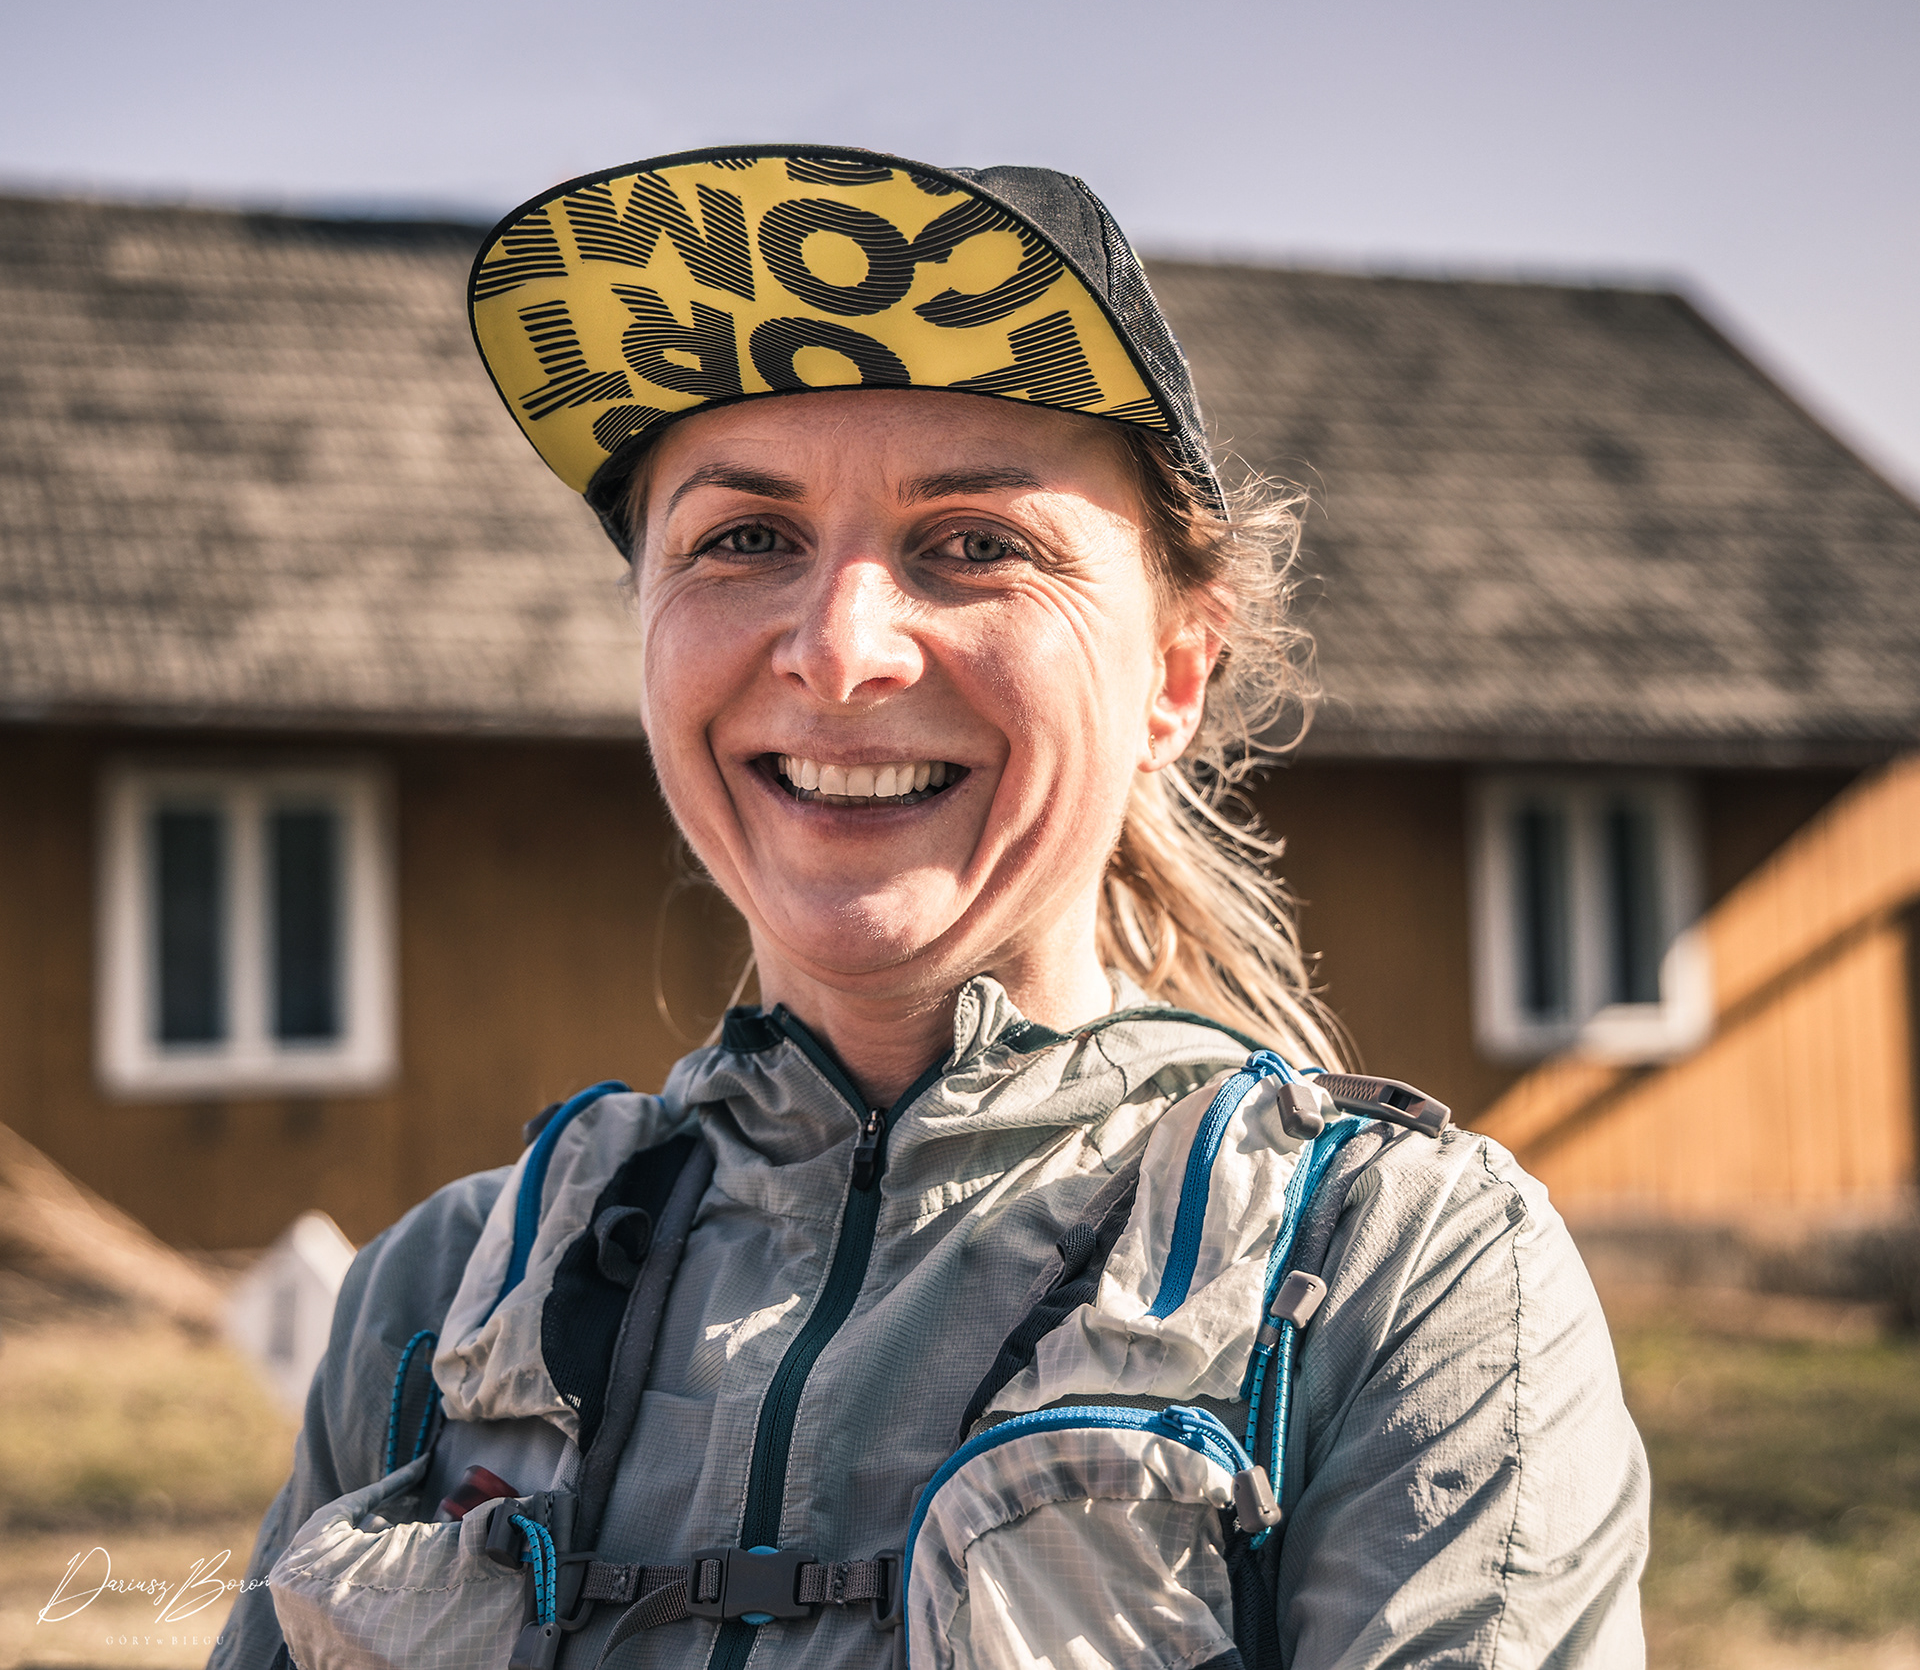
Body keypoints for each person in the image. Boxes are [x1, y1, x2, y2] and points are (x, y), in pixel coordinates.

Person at [212, 147, 1648, 1670]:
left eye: (975, 544)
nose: (841, 652)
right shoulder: (437, 1301)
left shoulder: (1396, 1273)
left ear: (1173, 675)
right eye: (745, 538)